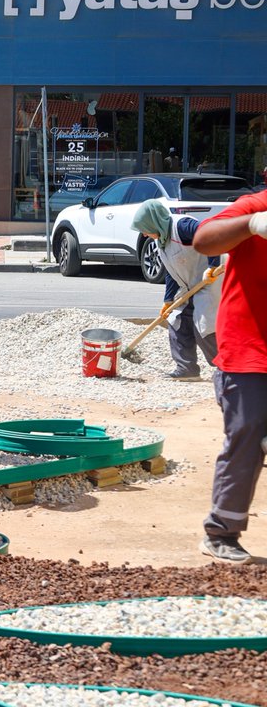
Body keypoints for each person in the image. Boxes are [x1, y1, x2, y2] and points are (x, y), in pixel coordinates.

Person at [191, 190, 267, 564]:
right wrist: (251, 225)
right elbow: (204, 240)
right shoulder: (256, 206)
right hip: (248, 349)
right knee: (249, 432)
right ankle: (222, 530)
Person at [131, 199, 222, 381]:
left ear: (153, 221)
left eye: (144, 228)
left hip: (211, 281)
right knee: (176, 320)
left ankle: (226, 367)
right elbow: (172, 271)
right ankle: (187, 369)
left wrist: (213, 266)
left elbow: (211, 234)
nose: (143, 233)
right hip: (189, 285)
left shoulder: (182, 226)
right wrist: (168, 301)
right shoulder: (162, 239)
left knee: (204, 326)